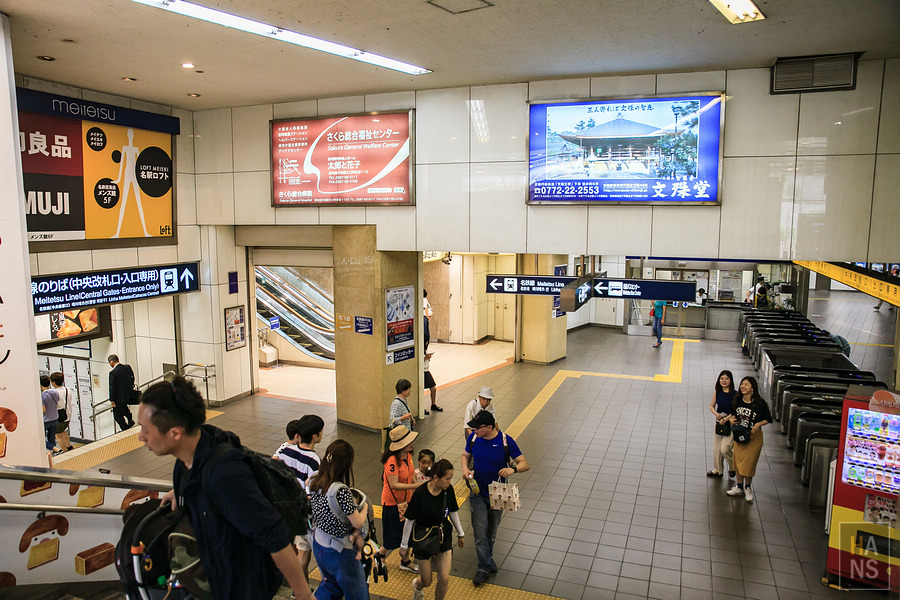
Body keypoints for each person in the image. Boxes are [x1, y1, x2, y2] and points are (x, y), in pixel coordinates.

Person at [136, 376, 313, 600]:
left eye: (145, 429)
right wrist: (182, 492)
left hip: (241, 588)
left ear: (175, 433)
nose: (141, 437)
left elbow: (274, 535)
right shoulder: (197, 448)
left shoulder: (224, 475)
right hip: (215, 578)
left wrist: (304, 594)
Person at [460, 410, 529, 585]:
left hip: (498, 494)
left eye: (477, 427)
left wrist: (513, 469)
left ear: (489, 427)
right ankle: (484, 566)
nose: (474, 430)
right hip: (477, 494)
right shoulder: (474, 438)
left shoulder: (506, 441)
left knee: (491, 532)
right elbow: (465, 456)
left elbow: (524, 464)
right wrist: (465, 469)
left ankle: (487, 559)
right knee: (480, 532)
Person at [308, 440, 370, 600]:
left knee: (330, 586)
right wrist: (366, 510)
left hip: (319, 544)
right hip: (339, 551)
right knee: (358, 594)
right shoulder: (340, 491)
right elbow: (357, 522)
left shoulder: (314, 481)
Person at [401, 459, 465, 600]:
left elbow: (453, 511)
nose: (449, 482)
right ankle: (417, 586)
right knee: (426, 581)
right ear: (436, 478)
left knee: (444, 578)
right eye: (447, 479)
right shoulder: (420, 493)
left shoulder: (448, 491)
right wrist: (404, 545)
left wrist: (461, 533)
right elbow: (410, 519)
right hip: (423, 538)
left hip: (443, 536)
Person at [273, 414, 324, 587]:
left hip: (285, 507)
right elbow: (312, 493)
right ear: (315, 436)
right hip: (304, 515)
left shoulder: (285, 450)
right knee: (308, 552)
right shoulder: (314, 461)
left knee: (298, 551)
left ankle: (298, 588)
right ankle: (305, 589)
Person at [378, 425, 424, 573]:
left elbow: (411, 474)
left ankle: (405, 561)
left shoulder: (408, 456)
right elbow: (394, 484)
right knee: (392, 535)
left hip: (406, 502)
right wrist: (416, 486)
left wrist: (416, 484)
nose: (412, 443)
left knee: (407, 533)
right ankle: (380, 555)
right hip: (392, 503)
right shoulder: (392, 461)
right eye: (409, 441)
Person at [726, 376, 772, 503]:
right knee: (738, 461)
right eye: (742, 384)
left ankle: (748, 488)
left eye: (746, 384)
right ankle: (739, 487)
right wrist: (730, 419)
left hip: (754, 438)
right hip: (740, 435)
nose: (743, 387)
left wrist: (757, 425)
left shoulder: (759, 403)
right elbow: (732, 413)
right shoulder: (737, 400)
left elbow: (768, 419)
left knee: (749, 463)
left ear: (753, 388)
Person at [707, 369, 735, 479]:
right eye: (722, 378)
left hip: (730, 422)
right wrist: (716, 414)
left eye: (726, 379)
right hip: (719, 422)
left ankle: (733, 466)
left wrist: (726, 419)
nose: (724, 381)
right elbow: (711, 406)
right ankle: (717, 470)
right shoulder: (717, 392)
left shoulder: (735, 394)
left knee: (725, 448)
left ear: (730, 381)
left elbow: (735, 410)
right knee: (717, 448)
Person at [107, 354, 135, 430]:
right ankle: (130, 419)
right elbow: (132, 378)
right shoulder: (127, 367)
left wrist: (112, 399)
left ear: (112, 362)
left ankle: (124, 428)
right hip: (128, 394)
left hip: (118, 397)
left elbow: (112, 387)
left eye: (110, 363)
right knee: (124, 407)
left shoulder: (113, 373)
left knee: (117, 415)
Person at [50, 372, 74, 452]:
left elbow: (55, 406)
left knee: (58, 434)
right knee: (63, 431)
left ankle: (64, 452)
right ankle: (69, 446)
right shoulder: (67, 389)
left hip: (60, 417)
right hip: (68, 415)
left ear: (53, 382)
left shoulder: (54, 393)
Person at [39, 375, 61, 453]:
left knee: (40, 439)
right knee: (51, 437)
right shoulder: (55, 392)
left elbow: (43, 410)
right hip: (55, 418)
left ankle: (55, 449)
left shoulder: (43, 395)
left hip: (46, 420)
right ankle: (55, 452)